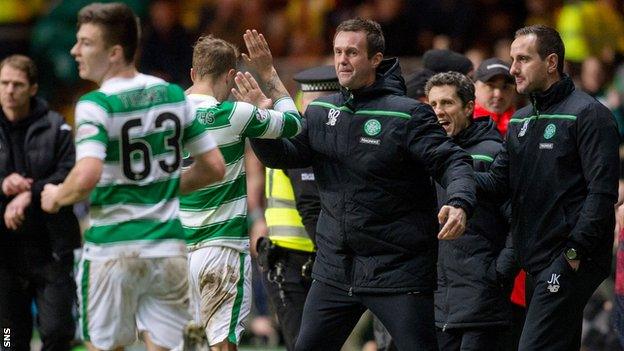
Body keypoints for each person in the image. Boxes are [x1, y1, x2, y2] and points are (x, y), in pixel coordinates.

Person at [250, 18, 477, 351]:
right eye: (338, 51)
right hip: (334, 270)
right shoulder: (322, 112)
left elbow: (453, 161)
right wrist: (261, 125)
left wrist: (459, 201)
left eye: (352, 52)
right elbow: (285, 155)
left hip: (397, 270)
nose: (342, 59)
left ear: (375, 59)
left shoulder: (407, 115)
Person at [40, 3, 225, 350]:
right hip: (168, 248)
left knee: (104, 346)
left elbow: (86, 175)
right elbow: (213, 166)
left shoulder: (96, 104)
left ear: (114, 52)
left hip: (113, 248)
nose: (74, 50)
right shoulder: (172, 94)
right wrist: (160, 188)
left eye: (85, 43)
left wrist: (55, 196)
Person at [475, 24, 619, 351]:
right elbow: (498, 182)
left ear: (551, 62)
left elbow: (602, 193)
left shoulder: (589, 115)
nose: (513, 69)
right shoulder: (521, 120)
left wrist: (574, 252)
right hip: (535, 259)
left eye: (522, 59)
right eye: (513, 59)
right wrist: (452, 167)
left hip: (567, 257)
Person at [180, 32, 302, 351]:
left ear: (193, 74)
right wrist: (269, 76)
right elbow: (294, 123)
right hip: (222, 250)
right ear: (231, 75)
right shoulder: (235, 115)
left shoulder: (163, 118)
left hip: (174, 250)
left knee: (176, 342)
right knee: (222, 343)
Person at [425, 71, 512, 350]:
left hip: (481, 300)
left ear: (469, 107)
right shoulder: (426, 155)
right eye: (434, 105)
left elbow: (520, 220)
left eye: (447, 103)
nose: (439, 112)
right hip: (437, 300)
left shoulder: (492, 153)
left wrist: (498, 273)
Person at [0, 54, 80, 351]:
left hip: (51, 250)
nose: (9, 90)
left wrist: (28, 194)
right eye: (4, 83)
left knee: (58, 333)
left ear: (33, 88)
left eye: (17, 84)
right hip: (6, 256)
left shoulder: (56, 126)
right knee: (8, 341)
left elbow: (70, 173)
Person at [257, 65, 339, 351]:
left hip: (312, 258)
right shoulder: (304, 137)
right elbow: (310, 205)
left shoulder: (313, 135)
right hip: (296, 262)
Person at [473, 57, 517, 136]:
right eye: (490, 86)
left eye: (505, 87)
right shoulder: (462, 125)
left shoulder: (523, 125)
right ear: (474, 88)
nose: (498, 94)